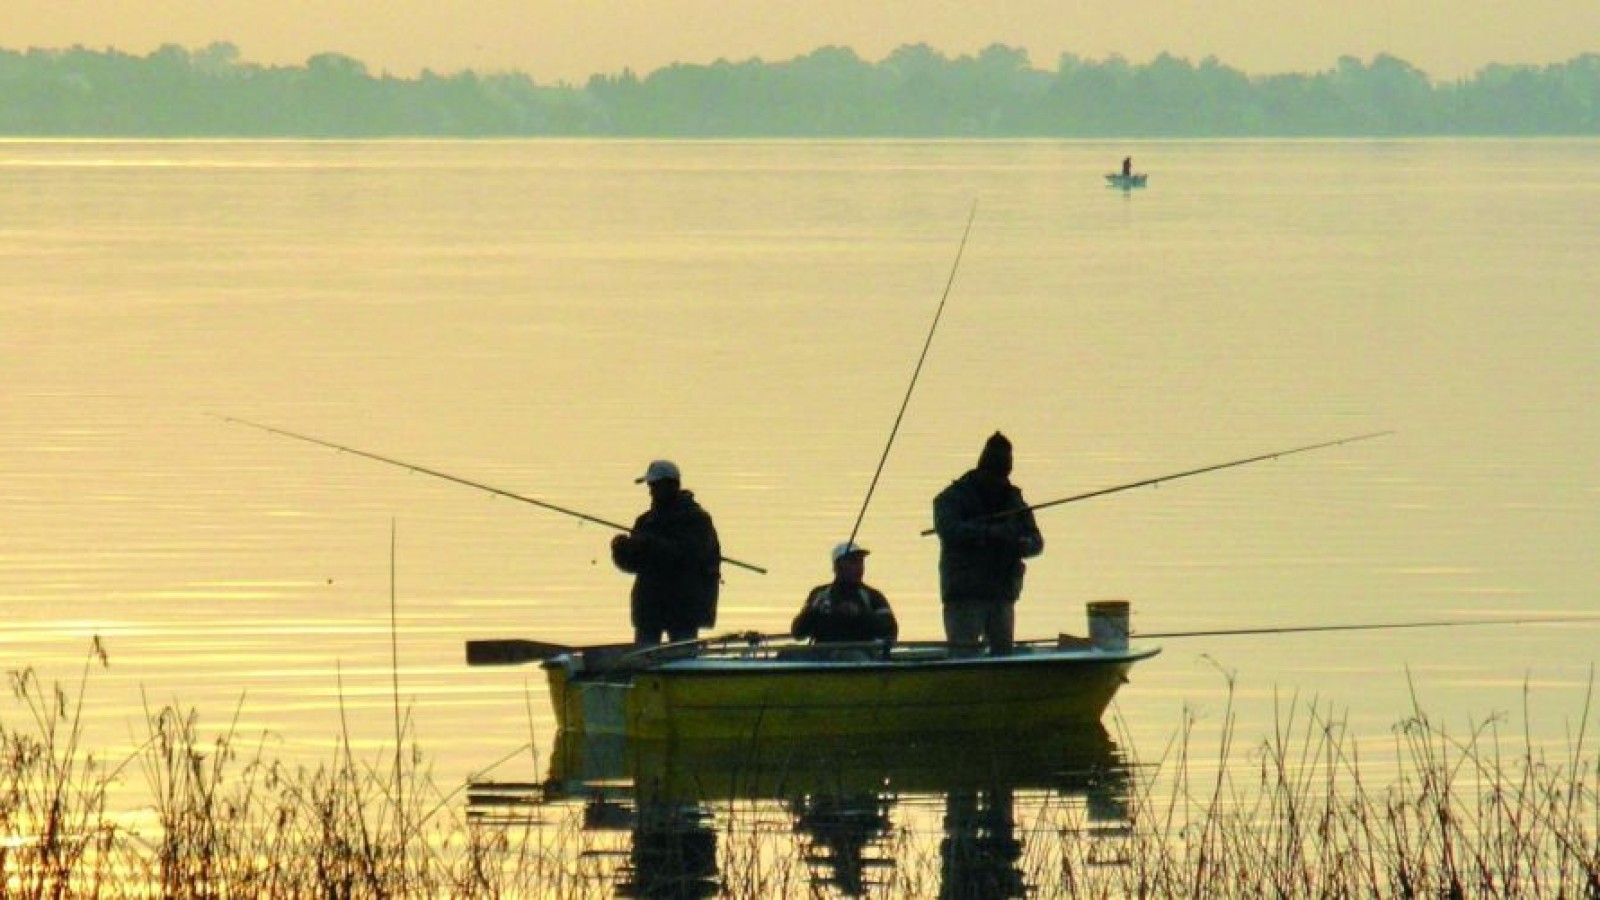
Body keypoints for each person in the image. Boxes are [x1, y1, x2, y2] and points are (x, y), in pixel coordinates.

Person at [932, 432, 1044, 656]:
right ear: (981, 469)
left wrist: (1020, 543)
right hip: (965, 594)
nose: (999, 483)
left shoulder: (1013, 499)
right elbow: (949, 530)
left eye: (1003, 477)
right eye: (994, 477)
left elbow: (1037, 542)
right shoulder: (953, 497)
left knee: (1003, 656)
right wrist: (989, 533)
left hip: (1002, 593)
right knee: (964, 656)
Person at [610, 460, 722, 647]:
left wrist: (650, 543)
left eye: (655, 485)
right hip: (649, 608)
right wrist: (621, 551)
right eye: (650, 485)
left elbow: (691, 556)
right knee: (643, 662)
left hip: (683, 609)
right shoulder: (645, 521)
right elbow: (632, 566)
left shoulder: (696, 519)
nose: (651, 490)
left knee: (684, 663)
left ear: (672, 485)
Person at [791, 542, 898, 644]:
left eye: (861, 562)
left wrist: (860, 615)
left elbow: (890, 631)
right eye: (853, 562)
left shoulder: (872, 596)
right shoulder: (819, 594)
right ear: (837, 567)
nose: (859, 567)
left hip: (860, 653)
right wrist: (811, 612)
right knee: (787, 654)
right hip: (822, 654)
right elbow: (798, 633)